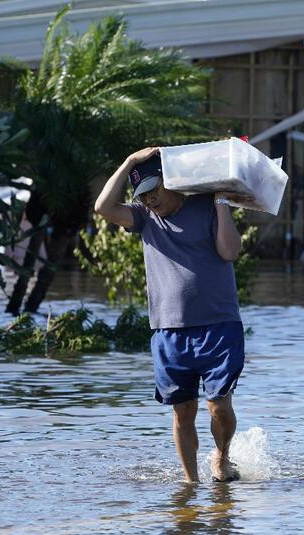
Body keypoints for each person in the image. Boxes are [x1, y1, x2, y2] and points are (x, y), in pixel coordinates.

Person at [94, 146, 244, 483]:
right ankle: (190, 484)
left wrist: (221, 201)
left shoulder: (207, 205)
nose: (149, 200)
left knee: (218, 405)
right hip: (169, 330)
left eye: (153, 190)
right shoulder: (144, 218)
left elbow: (230, 251)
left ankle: (221, 457)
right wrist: (129, 160)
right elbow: (102, 207)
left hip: (219, 325)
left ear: (171, 180)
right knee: (183, 411)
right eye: (142, 194)